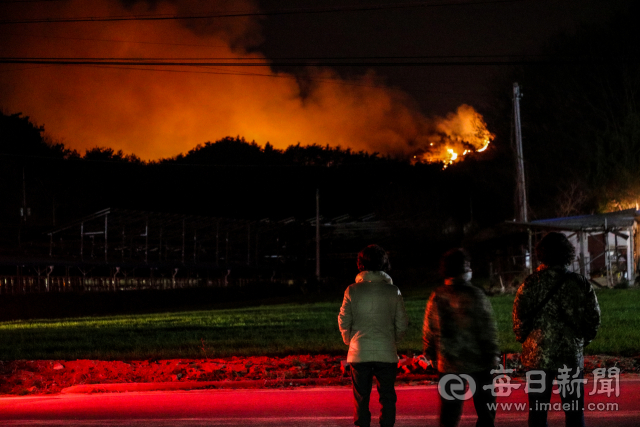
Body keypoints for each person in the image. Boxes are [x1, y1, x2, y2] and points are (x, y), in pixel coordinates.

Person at [513, 231, 601, 427]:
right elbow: (594, 320)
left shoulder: (529, 284)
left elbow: (518, 322)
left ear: (541, 254)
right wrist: (580, 341)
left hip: (537, 358)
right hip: (569, 357)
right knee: (574, 412)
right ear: (568, 254)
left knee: (537, 413)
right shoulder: (579, 283)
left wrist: (526, 340)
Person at [423, 248, 499, 427]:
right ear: (465, 269)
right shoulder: (475, 294)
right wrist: (493, 354)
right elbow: (487, 328)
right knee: (486, 411)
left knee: (449, 414)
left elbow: (430, 330)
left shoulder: (437, 296)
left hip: (449, 362)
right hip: (479, 362)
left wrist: (431, 354)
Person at [338, 244, 409, 427]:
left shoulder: (352, 290)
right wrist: (394, 341)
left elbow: (344, 320)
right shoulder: (393, 291)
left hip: (359, 352)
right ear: (384, 264)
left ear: (360, 265)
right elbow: (402, 322)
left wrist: (349, 340)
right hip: (386, 351)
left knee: (361, 397)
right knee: (387, 396)